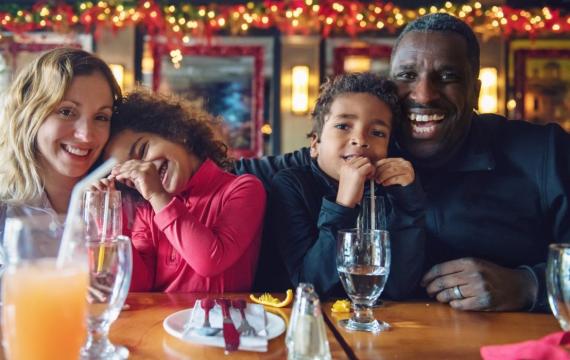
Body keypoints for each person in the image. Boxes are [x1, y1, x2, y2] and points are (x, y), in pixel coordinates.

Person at [238, 13, 570, 312]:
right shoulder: (371, 148)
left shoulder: (543, 152)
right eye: (408, 75)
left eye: (448, 76)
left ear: (475, 91)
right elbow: (234, 171)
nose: (424, 94)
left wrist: (529, 286)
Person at [261, 73, 425, 298]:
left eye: (377, 132)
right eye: (343, 126)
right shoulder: (291, 184)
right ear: (315, 144)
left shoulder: (388, 190)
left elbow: (399, 288)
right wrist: (344, 203)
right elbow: (310, 286)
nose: (360, 139)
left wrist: (409, 205)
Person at [102, 90, 266, 293]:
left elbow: (209, 261)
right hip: (160, 323)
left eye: (143, 151)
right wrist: (111, 222)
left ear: (176, 133)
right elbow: (138, 286)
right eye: (129, 172)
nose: (143, 169)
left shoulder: (244, 189)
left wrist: (158, 196)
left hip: (227, 320)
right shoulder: (147, 212)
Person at [0, 47, 121, 227]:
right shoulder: (5, 209)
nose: (86, 135)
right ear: (29, 115)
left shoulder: (125, 206)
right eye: (66, 112)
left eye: (101, 117)